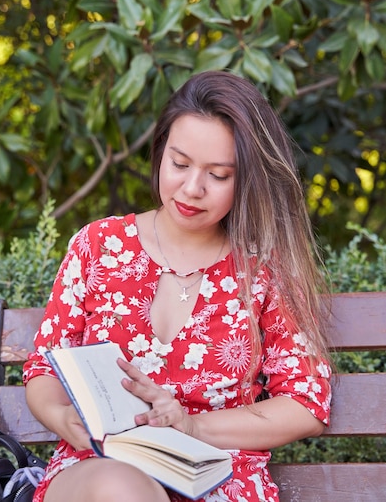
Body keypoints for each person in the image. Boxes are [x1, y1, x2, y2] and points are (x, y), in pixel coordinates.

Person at [23, 70, 332, 502]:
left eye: (219, 175)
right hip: (100, 471)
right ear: (160, 152)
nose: (191, 188)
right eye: (180, 164)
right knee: (119, 488)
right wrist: (60, 418)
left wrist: (190, 424)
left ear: (247, 179)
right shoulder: (98, 246)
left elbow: (305, 403)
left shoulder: (265, 268)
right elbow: (42, 368)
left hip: (218, 474)